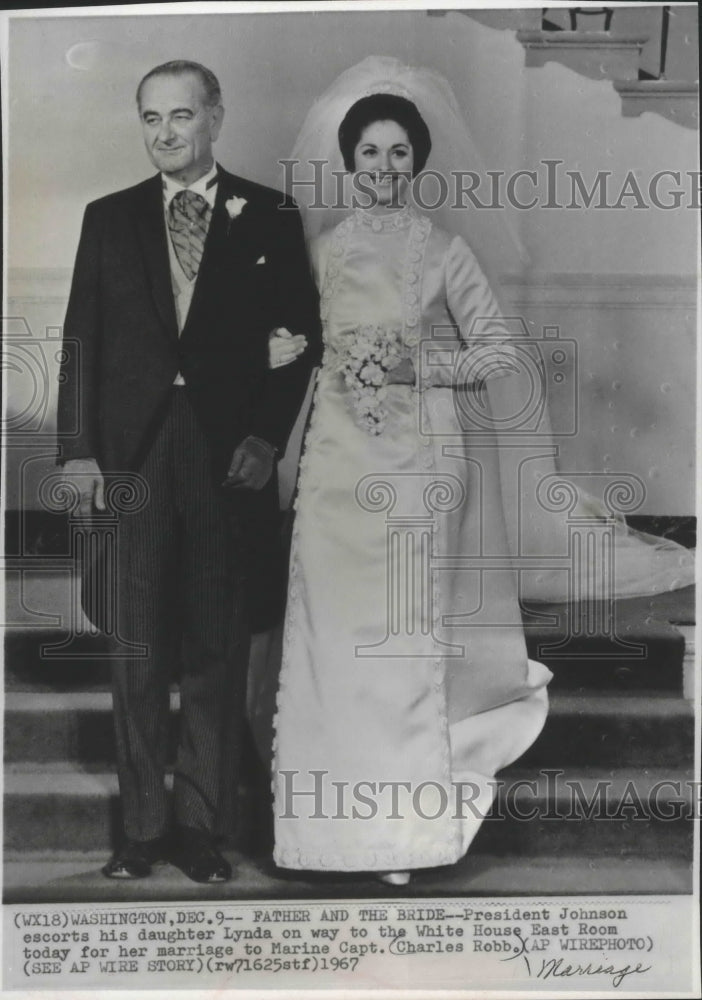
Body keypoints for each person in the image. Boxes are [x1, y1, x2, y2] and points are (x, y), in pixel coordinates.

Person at [268, 64, 554, 886]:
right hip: (335, 468)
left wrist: (416, 367)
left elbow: (498, 353)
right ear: (349, 160)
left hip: (420, 467)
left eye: (399, 153)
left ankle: (403, 839)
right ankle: (323, 835)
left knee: (400, 651)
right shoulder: (321, 252)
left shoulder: (446, 251)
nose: (384, 168)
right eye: (370, 152)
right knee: (333, 643)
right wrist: (285, 350)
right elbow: (300, 345)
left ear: (417, 162)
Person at [56, 60, 320, 883]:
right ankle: (141, 829)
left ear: (215, 117)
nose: (165, 132)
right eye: (151, 118)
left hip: (224, 454)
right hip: (130, 454)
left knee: (215, 642)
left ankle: (200, 826)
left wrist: (267, 438)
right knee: (136, 644)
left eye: (180, 115)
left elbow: (300, 336)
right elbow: (80, 341)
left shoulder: (269, 214)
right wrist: (76, 451)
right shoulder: (109, 218)